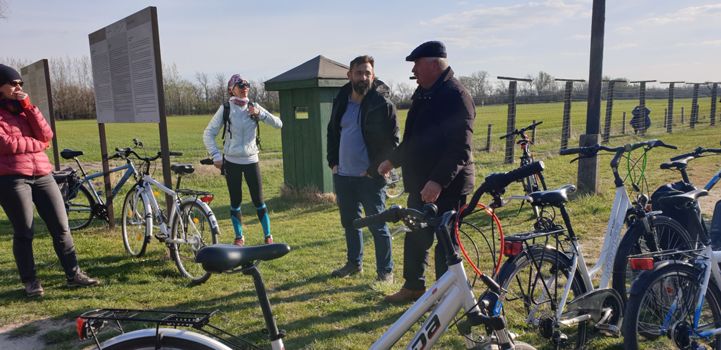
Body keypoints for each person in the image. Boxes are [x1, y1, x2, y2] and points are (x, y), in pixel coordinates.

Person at [377, 41, 476, 303]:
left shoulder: (456, 96)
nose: (414, 70)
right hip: (421, 185)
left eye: (417, 64)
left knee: (446, 245)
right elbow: (414, 140)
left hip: (447, 187)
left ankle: (448, 296)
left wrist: (437, 181)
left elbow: (460, 149)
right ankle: (413, 287)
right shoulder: (423, 94)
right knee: (416, 238)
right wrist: (392, 161)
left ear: (434, 64)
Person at [0, 64, 99, 297]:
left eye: (20, 84)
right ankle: (31, 281)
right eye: (12, 83)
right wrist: (37, 145)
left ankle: (74, 274)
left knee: (61, 226)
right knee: (24, 231)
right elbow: (4, 145)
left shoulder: (25, 110)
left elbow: (47, 136)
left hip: (43, 174)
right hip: (12, 178)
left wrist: (28, 107)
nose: (17, 87)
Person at [326, 55, 400, 282]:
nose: (363, 77)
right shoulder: (340, 100)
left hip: (370, 177)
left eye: (368, 73)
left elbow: (393, 142)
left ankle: (385, 271)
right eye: (359, 73)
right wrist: (333, 163)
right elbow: (332, 132)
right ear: (349, 75)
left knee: (378, 225)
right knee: (350, 223)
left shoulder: (382, 105)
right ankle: (353, 263)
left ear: (373, 76)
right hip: (344, 175)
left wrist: (374, 169)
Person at [203, 74, 282, 246]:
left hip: (251, 160)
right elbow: (208, 133)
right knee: (235, 201)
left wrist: (260, 114)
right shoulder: (225, 108)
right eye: (240, 84)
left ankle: (268, 236)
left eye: (247, 84)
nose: (245, 87)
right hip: (232, 162)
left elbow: (278, 124)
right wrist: (216, 156)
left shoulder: (254, 106)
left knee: (259, 201)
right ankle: (239, 238)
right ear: (231, 89)